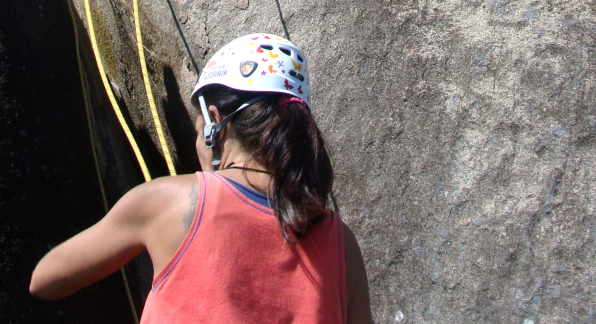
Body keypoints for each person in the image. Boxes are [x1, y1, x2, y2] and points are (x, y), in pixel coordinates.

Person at [30, 32, 373, 323]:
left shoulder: (171, 202)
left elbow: (45, 279)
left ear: (214, 123)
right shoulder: (342, 244)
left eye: (198, 131)